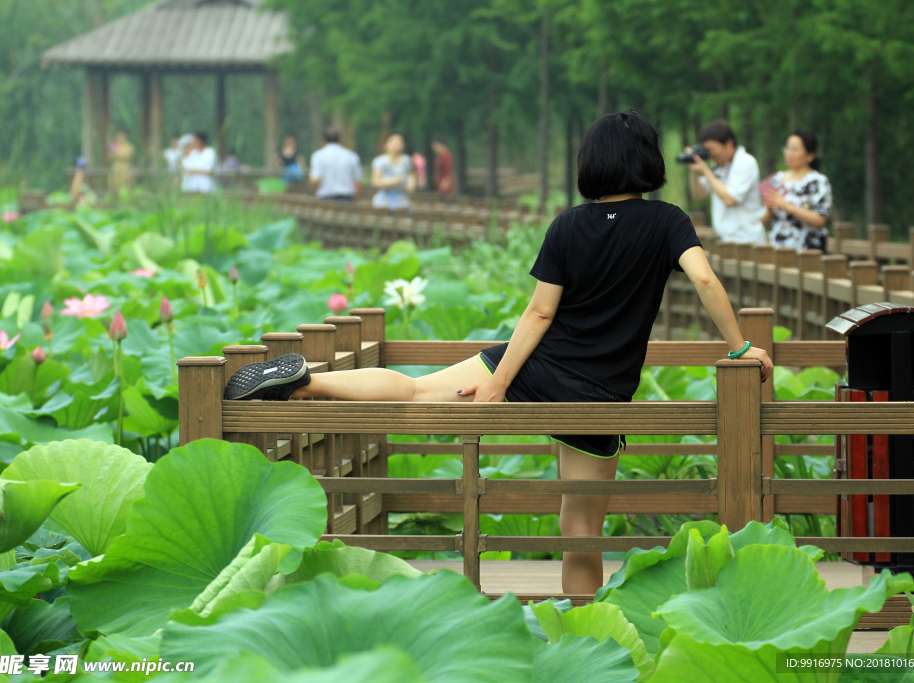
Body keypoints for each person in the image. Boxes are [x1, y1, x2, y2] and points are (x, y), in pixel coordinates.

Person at [221, 110, 774, 595]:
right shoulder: (669, 221)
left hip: (537, 368)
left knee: (416, 390)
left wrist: (500, 380)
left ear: (592, 163)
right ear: (649, 162)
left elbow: (538, 315)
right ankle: (582, 635)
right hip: (599, 394)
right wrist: (742, 348)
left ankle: (308, 383)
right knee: (580, 530)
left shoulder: (568, 225)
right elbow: (703, 279)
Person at [685, 120, 766, 244]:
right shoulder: (717, 166)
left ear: (729, 144)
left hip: (748, 242)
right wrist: (694, 171)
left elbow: (730, 199)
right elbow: (698, 195)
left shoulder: (746, 162)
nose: (710, 154)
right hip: (725, 240)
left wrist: (705, 171)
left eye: (712, 149)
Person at [761, 130, 833, 252]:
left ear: (810, 156)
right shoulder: (775, 180)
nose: (789, 153)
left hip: (808, 253)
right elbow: (763, 221)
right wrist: (769, 210)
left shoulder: (818, 182)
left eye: (794, 150)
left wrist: (787, 206)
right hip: (778, 251)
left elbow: (820, 220)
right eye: (787, 148)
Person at [309, 128, 363, 201]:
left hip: (325, 199)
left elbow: (315, 181)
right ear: (340, 140)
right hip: (347, 199)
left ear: (323, 140)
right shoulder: (352, 156)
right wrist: (356, 200)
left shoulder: (318, 156)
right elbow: (358, 183)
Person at [371, 133, 415, 214]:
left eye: (399, 142)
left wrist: (411, 185)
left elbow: (411, 176)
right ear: (386, 144)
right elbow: (375, 182)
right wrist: (393, 181)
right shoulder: (380, 161)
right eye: (394, 142)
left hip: (402, 200)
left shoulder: (407, 160)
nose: (396, 145)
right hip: (384, 201)